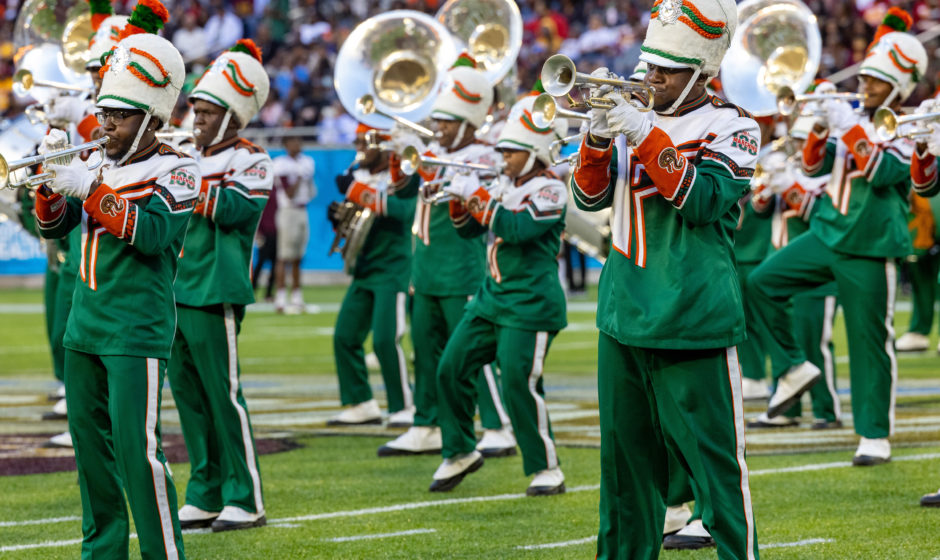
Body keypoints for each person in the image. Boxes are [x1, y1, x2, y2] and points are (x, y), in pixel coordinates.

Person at [570, 0, 760, 556]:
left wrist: (647, 132)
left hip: (692, 316)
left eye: (665, 70)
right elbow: (588, 199)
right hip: (623, 311)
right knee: (624, 476)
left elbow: (701, 201)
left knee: (715, 474)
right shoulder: (635, 117)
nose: (649, 79)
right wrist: (598, 139)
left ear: (702, 74)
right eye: (648, 66)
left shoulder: (734, 126)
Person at [33, 1, 195, 556]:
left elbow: (151, 236)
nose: (105, 126)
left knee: (137, 452)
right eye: (104, 114)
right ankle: (101, 552)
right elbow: (53, 231)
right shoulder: (98, 163)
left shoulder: (177, 169)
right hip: (86, 325)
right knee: (91, 456)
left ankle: (162, 553)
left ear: (151, 119)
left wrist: (88, 188)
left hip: (135, 328)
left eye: (120, 117)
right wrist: (49, 186)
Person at [745, 9, 928, 466]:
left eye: (876, 82)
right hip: (827, 233)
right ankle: (794, 366)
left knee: (870, 342)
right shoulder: (852, 115)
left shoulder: (908, 126)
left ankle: (874, 434)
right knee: (762, 283)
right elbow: (814, 167)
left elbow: (886, 171)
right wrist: (822, 127)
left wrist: (846, 127)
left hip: (870, 244)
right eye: (865, 78)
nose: (864, 87)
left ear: (899, 88)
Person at [429, 93, 568, 496]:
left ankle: (547, 467)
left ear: (534, 152)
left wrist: (478, 195)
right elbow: (469, 230)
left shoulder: (549, 189)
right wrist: (459, 201)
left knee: (518, 384)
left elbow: (517, 229)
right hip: (492, 298)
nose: (503, 159)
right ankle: (458, 450)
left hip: (530, 303)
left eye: (510, 152)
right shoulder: (505, 184)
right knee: (450, 367)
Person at [378, 55, 515, 458]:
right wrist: (400, 154)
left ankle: (496, 424)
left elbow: (460, 188)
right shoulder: (432, 150)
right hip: (424, 270)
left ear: (470, 122)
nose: (440, 128)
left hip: (462, 269)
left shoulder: (486, 154)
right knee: (424, 348)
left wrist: (422, 159)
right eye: (439, 121)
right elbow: (403, 191)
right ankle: (427, 422)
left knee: (474, 352)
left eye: (449, 122)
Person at [167, 39, 271, 532]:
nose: (197, 121)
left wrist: (182, 178)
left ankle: (246, 496)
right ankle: (205, 490)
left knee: (223, 396)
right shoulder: (186, 152)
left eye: (208, 113)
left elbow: (234, 209)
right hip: (176, 290)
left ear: (233, 117)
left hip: (216, 288)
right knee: (188, 398)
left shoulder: (252, 159)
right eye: (196, 111)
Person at [745, 115, 842, 431]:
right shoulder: (787, 168)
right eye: (796, 142)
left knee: (814, 343)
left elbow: (820, 216)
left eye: (803, 141)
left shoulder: (830, 176)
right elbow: (759, 209)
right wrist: (767, 185)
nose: (799, 148)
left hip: (816, 275)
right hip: (780, 267)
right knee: (784, 340)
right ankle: (786, 407)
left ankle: (827, 410)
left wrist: (791, 187)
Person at [327, 124, 419, 426]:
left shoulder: (403, 174)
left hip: (393, 268)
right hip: (365, 267)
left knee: (384, 341)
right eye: (357, 142)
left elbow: (406, 212)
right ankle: (361, 402)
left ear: (386, 145)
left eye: (365, 143)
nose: (360, 149)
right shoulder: (362, 176)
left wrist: (359, 193)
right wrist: (339, 216)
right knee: (344, 336)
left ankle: (404, 406)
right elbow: (358, 222)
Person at [897, 93, 940, 353]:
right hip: (925, 216)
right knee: (920, 271)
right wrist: (923, 146)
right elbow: (924, 185)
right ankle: (919, 329)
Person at [273, 135, 315, 313]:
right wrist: (299, 176)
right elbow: (289, 193)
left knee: (298, 256)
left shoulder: (307, 161)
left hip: (302, 209)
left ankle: (297, 297)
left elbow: (311, 189)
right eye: (292, 141)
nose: (297, 144)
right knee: (284, 256)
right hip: (288, 210)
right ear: (285, 144)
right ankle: (280, 298)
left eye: (298, 141)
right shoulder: (281, 163)